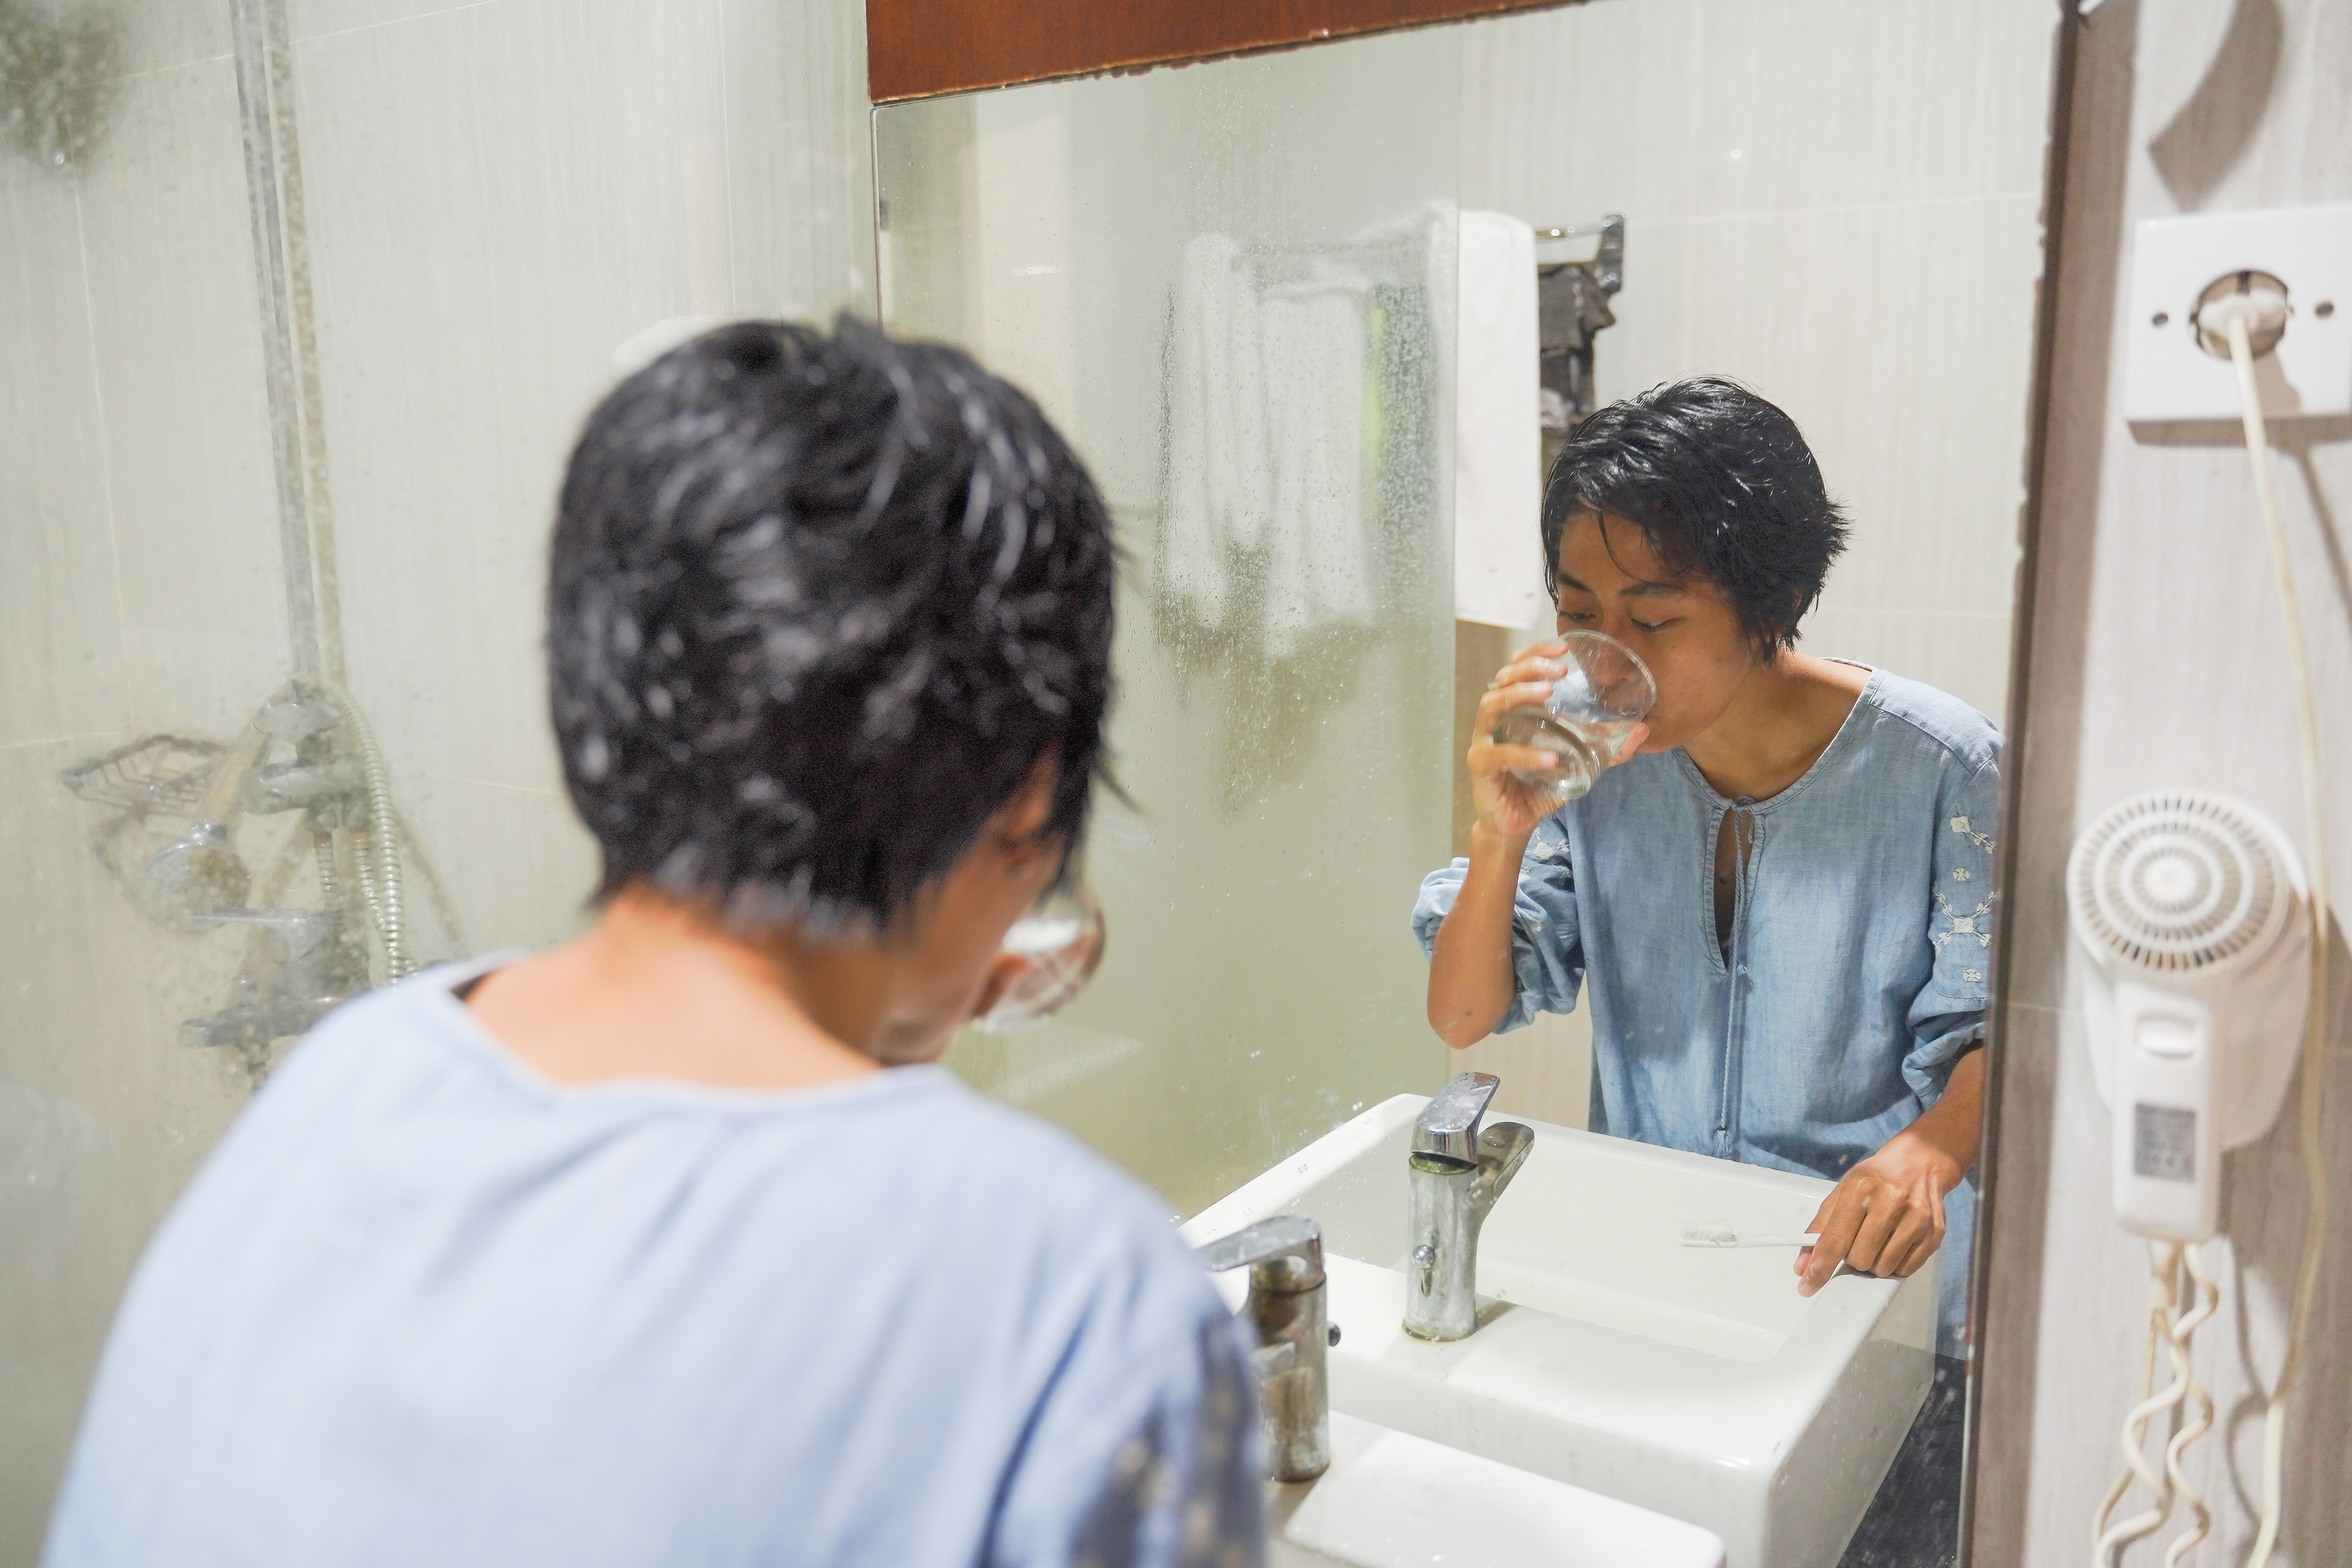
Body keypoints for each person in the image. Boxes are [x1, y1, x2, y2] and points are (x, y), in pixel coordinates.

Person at [45, 323, 1262, 1567]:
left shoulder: (341, 1084)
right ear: (1028, 788)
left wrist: (892, 1020)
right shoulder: (1081, 1309)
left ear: (598, 690)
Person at [1416, 377, 1996, 1359]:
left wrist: (1934, 1148)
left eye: (1653, 620)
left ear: (1775, 601)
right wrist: (1499, 834)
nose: (1605, 658)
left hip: (1867, 1290)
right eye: (1578, 610)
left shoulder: (1943, 767)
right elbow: (1465, 1017)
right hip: (1659, 1262)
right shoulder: (1585, 753)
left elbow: (2017, 1033)